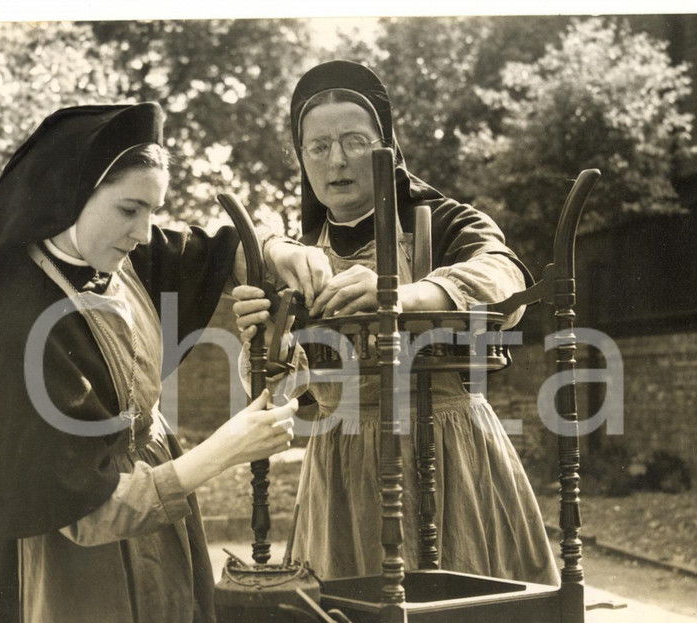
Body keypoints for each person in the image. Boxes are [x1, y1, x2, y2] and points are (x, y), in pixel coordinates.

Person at [0, 102, 299, 623]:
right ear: (72, 195)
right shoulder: (18, 325)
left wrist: (274, 252)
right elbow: (87, 513)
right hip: (72, 563)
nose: (145, 234)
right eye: (130, 209)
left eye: (153, 210)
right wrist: (226, 448)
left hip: (155, 529)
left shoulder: (114, 258)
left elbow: (213, 251)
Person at [233, 60, 560, 586]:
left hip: (447, 456)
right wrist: (266, 337)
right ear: (302, 158)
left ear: (387, 149)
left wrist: (401, 296)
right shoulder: (297, 256)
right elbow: (292, 394)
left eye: (354, 142)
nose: (335, 161)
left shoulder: (447, 221)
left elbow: (505, 283)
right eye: (318, 147)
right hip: (339, 467)